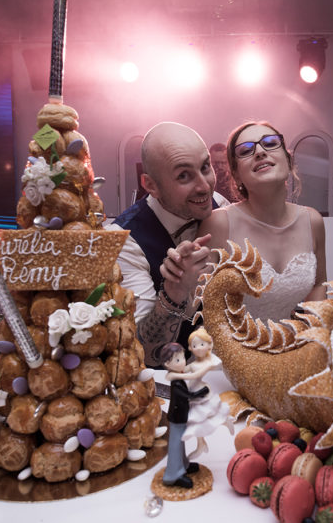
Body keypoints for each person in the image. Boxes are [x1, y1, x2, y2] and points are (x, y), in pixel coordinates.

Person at [110, 122, 230, 366]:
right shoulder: (124, 238)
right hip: (168, 384)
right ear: (151, 185)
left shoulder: (220, 203)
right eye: (183, 175)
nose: (205, 186)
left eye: (205, 167)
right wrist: (176, 291)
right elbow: (144, 353)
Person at [195, 121, 327, 322]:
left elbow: (318, 285)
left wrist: (315, 335)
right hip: (229, 349)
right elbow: (196, 303)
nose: (259, 152)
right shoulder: (218, 224)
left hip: (289, 344)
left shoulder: (312, 221)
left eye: (271, 143)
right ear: (237, 176)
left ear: (289, 160)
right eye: (246, 150)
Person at [165, 327, 232, 460]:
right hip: (192, 391)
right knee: (196, 422)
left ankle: (225, 421)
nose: (199, 348)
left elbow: (194, 375)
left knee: (204, 416)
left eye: (202, 344)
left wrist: (174, 375)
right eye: (195, 345)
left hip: (200, 392)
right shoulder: (194, 363)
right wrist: (173, 372)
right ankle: (201, 444)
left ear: (209, 344)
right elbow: (183, 369)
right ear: (190, 348)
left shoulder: (208, 363)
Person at [161, 342, 210, 488]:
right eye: (177, 360)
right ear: (167, 364)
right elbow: (188, 395)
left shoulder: (178, 376)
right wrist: (201, 393)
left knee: (180, 443)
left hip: (181, 415)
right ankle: (172, 475)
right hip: (176, 417)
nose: (182, 362)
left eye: (182, 358)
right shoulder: (175, 382)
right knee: (175, 445)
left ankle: (183, 465)